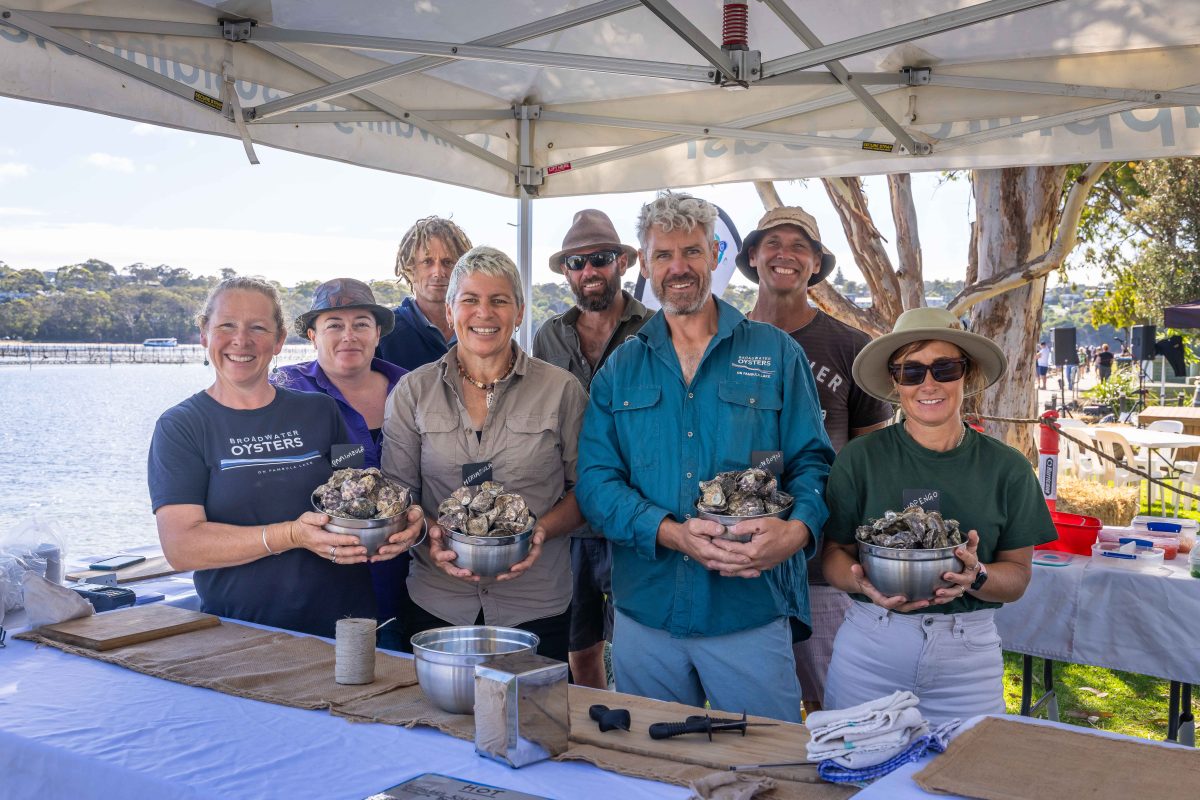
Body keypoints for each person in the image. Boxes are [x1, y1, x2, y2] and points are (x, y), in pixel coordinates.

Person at [577, 191, 835, 723]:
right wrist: (672, 533)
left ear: (715, 254)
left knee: (773, 769)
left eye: (692, 252)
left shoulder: (777, 353)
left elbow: (813, 462)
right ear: (644, 265)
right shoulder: (620, 368)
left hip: (750, 609)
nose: (679, 268)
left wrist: (797, 531)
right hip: (647, 613)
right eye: (664, 255)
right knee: (655, 774)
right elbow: (596, 483)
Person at [148, 277, 424, 639]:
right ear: (204, 334)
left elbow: (364, 496)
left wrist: (406, 520)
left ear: (278, 340)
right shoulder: (181, 426)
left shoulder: (320, 411)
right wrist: (291, 534)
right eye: (226, 325)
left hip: (349, 628)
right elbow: (182, 548)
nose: (241, 340)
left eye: (258, 328)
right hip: (241, 632)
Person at [820, 307, 1056, 725]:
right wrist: (862, 580)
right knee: (856, 783)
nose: (928, 384)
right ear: (895, 382)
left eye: (945, 368)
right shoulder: (859, 458)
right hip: (872, 647)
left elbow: (1017, 576)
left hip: (967, 660)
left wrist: (977, 575)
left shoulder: (1008, 468)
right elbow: (834, 552)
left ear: (968, 374)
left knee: (966, 780)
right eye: (911, 372)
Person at [382, 246, 588, 663]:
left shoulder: (562, 390)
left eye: (499, 301)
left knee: (530, 721)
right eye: (470, 300)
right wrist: (430, 534)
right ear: (450, 309)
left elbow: (588, 491)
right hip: (437, 602)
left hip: (535, 604)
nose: (484, 313)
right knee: (432, 722)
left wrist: (541, 530)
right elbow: (398, 495)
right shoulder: (412, 392)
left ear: (519, 311)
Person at [741, 206, 893, 714]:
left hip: (824, 561)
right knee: (757, 710)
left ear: (814, 265)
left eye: (798, 246)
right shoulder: (725, 340)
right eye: (773, 243)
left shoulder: (851, 347)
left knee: (836, 704)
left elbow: (873, 456)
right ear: (754, 257)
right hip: (742, 559)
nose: (784, 254)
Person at [533, 209, 651, 689]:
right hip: (572, 517)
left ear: (623, 261)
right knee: (578, 644)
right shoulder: (548, 335)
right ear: (566, 272)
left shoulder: (655, 330)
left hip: (637, 510)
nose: (588, 272)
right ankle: (589, 735)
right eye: (576, 263)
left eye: (600, 259)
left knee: (643, 646)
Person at [271, 278, 417, 650]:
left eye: (361, 324)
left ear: (378, 332)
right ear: (311, 335)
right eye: (334, 324)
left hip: (401, 581)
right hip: (314, 583)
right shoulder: (284, 388)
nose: (348, 335)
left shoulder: (412, 388)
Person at [376, 216, 472, 371]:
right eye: (427, 262)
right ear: (410, 269)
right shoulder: (385, 333)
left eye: (447, 262)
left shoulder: (479, 328)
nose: (438, 272)